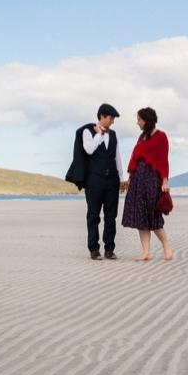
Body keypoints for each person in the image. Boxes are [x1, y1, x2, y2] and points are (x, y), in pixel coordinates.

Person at [65, 103, 128, 260]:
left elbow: (117, 157)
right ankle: (94, 249)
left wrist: (121, 178)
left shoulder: (113, 135)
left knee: (111, 216)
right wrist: (99, 134)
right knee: (93, 215)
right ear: (102, 116)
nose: (113, 121)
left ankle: (109, 249)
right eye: (111, 118)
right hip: (94, 180)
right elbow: (89, 149)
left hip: (112, 180)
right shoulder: (88, 131)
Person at [120, 107, 173, 261]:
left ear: (147, 120)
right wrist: (130, 180)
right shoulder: (141, 137)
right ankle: (146, 252)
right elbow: (134, 159)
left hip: (152, 181)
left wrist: (164, 179)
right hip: (138, 181)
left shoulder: (161, 136)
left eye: (139, 119)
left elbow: (164, 159)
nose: (137, 123)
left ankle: (166, 247)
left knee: (154, 217)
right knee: (141, 218)